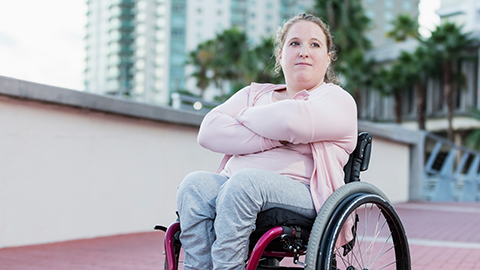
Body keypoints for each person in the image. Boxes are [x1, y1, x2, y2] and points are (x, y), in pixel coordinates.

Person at [176, 13, 358, 270]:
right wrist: (277, 138)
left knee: (244, 183)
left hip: (305, 191)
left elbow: (293, 122)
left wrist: (243, 117)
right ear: (280, 55)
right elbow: (208, 132)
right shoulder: (255, 93)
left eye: (314, 44)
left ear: (328, 59)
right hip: (235, 185)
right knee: (193, 185)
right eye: (294, 43)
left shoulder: (336, 99)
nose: (304, 51)